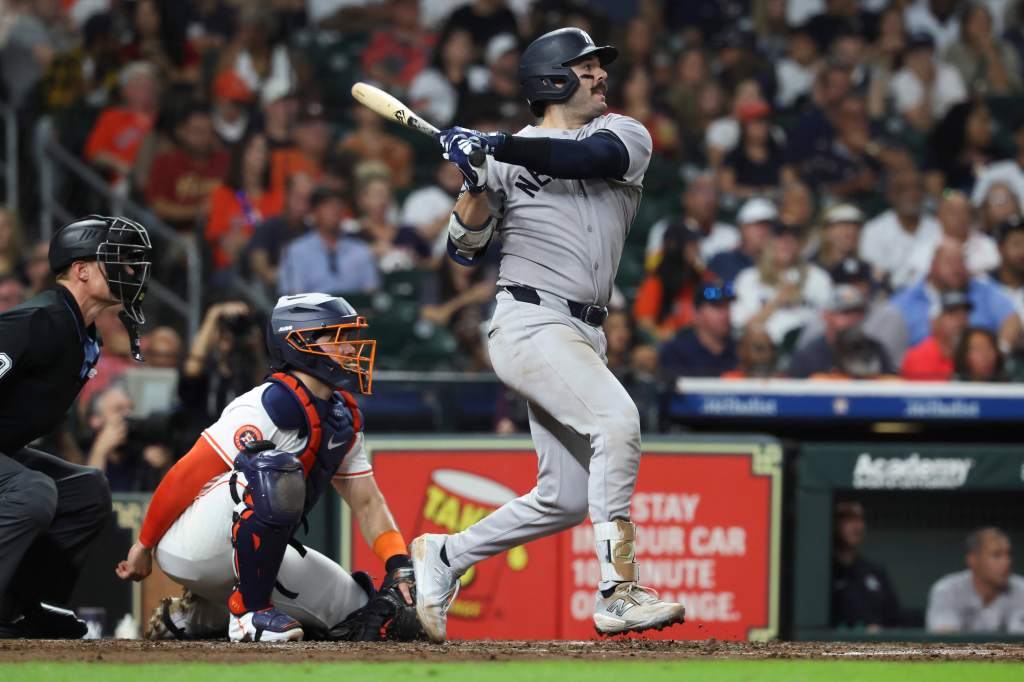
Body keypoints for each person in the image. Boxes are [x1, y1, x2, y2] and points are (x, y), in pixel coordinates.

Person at [410, 28, 685, 642]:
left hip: (586, 332)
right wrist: (477, 178)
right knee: (616, 423)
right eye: (585, 68)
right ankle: (618, 590)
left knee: (564, 497)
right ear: (550, 78)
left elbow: (587, 160)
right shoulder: (504, 156)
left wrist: (496, 146)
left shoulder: (623, 135)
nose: (599, 77)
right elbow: (463, 250)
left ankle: (444, 557)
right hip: (529, 320)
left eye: (597, 68)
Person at [116, 294, 423, 643]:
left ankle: (199, 615)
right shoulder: (264, 405)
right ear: (300, 342)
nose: (351, 350)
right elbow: (185, 473)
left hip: (255, 556)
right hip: (190, 546)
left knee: (359, 613)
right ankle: (248, 613)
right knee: (272, 470)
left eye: (349, 338)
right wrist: (143, 545)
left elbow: (368, 503)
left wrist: (397, 563)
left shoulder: (342, 418)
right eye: (338, 337)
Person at [0, 215, 151, 638]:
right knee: (32, 490)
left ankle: (16, 608)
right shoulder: (39, 321)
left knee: (86, 490)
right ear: (81, 270)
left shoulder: (81, 333)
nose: (129, 273)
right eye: (116, 261)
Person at [892, 238, 1014, 349]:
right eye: (949, 262)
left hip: (977, 370)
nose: (956, 269)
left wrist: (999, 353)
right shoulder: (905, 302)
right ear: (932, 265)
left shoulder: (984, 292)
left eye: (961, 262)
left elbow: (1012, 319)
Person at [731, 222, 833, 346]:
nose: (786, 242)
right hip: (766, 349)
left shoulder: (818, 277)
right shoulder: (748, 278)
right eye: (779, 237)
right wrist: (777, 301)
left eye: (792, 237)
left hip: (809, 348)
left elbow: (830, 320)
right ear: (766, 243)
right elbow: (742, 330)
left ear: (800, 244)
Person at [277, 187, 380, 296]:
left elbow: (371, 293)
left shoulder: (360, 250)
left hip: (355, 310)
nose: (335, 211)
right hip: (313, 311)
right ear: (314, 212)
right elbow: (294, 296)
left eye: (338, 205)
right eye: (328, 206)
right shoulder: (296, 251)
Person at [145, 105, 229, 233]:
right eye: (197, 131)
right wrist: (199, 211)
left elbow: (242, 195)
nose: (204, 138)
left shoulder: (226, 161)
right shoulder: (165, 163)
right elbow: (159, 207)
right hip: (178, 234)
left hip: (223, 231)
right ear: (181, 132)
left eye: (208, 132)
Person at [926, 527, 1024, 633]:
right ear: (973, 560)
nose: (1007, 562)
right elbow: (944, 640)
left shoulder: (1021, 590)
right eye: (997, 555)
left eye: (1008, 555)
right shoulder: (947, 590)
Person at [859, 167, 943, 290]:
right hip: (889, 296)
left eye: (917, 189)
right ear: (890, 195)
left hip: (932, 295)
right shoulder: (874, 230)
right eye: (902, 190)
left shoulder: (937, 228)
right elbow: (875, 275)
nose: (911, 194)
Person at [787, 285, 893, 378]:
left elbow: (889, 391)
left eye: (858, 312)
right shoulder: (808, 355)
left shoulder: (875, 349)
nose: (853, 318)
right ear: (826, 315)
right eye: (845, 313)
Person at [830, 501, 903, 630]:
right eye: (848, 520)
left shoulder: (875, 572)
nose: (857, 526)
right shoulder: (825, 572)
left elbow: (894, 618)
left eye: (859, 519)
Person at [632, 224, 702, 343]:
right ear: (675, 247)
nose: (697, 249)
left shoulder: (698, 277)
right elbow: (644, 324)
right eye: (690, 244)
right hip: (669, 347)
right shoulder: (656, 281)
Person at [659, 282, 739, 378]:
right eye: (717, 306)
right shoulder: (676, 353)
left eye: (727, 307)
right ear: (696, 313)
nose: (725, 313)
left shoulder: (740, 352)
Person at [901, 289, 972, 381]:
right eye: (952, 314)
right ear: (934, 321)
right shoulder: (920, 358)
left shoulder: (972, 353)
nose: (961, 319)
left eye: (965, 314)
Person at [707, 197, 776, 285]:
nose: (763, 231)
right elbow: (706, 293)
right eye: (757, 225)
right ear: (742, 228)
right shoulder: (723, 261)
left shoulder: (780, 263)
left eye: (768, 226)